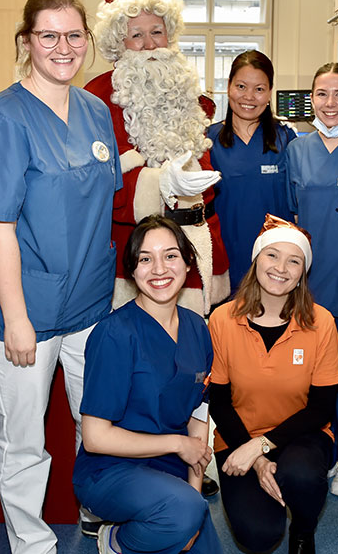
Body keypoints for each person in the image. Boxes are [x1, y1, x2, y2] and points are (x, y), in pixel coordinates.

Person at [0, 0, 121, 554]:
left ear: (87, 41)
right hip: (23, 310)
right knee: (24, 439)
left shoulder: (95, 111)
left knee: (97, 425)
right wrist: (16, 319)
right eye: (48, 35)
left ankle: (98, 517)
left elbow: (101, 204)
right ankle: (32, 543)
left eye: (73, 35)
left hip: (88, 306)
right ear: (26, 42)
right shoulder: (3, 118)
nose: (63, 47)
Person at [73, 216, 221, 554]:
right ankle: (117, 541)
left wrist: (195, 491)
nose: (158, 269)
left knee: (194, 530)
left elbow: (199, 414)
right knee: (180, 514)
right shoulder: (114, 335)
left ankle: (169, 514)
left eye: (170, 256)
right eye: (145, 258)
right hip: (109, 470)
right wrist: (177, 446)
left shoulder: (198, 328)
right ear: (132, 271)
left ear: (187, 263)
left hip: (170, 464)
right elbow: (95, 438)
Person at [85, 0, 229, 316]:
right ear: (118, 42)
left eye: (156, 32)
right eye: (136, 35)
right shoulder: (96, 100)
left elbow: (204, 183)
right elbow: (96, 186)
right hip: (132, 254)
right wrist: (156, 185)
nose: (149, 44)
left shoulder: (187, 91)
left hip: (194, 244)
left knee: (192, 350)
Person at [209, 214, 338, 554]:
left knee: (301, 475)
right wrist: (255, 456)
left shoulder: (320, 322)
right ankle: (272, 500)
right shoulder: (223, 319)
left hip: (301, 435)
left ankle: (303, 529)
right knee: (259, 537)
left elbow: (322, 408)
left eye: (294, 260)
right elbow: (220, 402)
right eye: (272, 255)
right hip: (239, 438)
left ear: (302, 273)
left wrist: (263, 445)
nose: (281, 268)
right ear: (256, 260)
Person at [285, 62, 338, 499]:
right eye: (322, 94)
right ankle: (313, 452)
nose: (330, 103)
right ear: (311, 98)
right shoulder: (297, 149)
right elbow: (290, 219)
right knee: (305, 378)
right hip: (306, 287)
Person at [208, 50, 296, 291]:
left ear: (269, 93)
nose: (249, 97)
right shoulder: (207, 141)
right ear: (228, 87)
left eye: (259, 89)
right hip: (225, 264)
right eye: (241, 86)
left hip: (276, 266)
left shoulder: (286, 139)